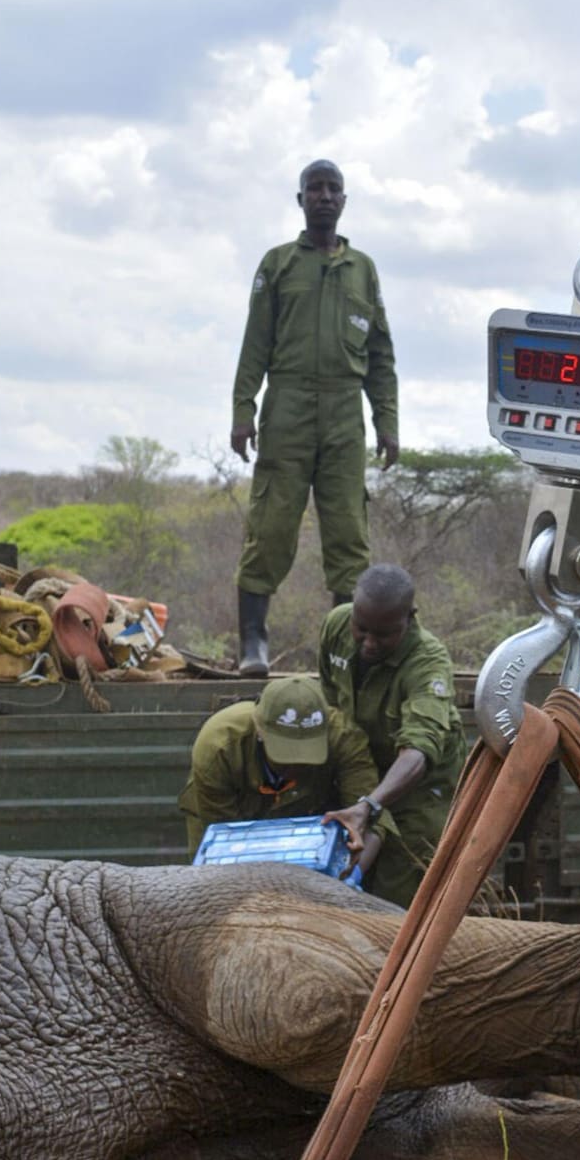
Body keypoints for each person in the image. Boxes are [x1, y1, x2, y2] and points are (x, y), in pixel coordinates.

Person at [230, 160, 399, 678]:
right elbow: (254, 341)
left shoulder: (363, 269)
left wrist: (387, 421)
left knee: (349, 535)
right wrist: (243, 409)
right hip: (288, 407)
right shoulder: (278, 264)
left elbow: (380, 353)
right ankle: (253, 643)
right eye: (314, 189)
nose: (324, 197)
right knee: (272, 524)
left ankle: (342, 650)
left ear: (344, 201)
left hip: (346, 414)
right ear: (300, 200)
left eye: (333, 189)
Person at [319, 563, 466, 909]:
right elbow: (330, 704)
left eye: (383, 635)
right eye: (362, 628)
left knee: (395, 893)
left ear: (410, 618)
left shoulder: (427, 662)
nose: (369, 643)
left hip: (417, 788)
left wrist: (370, 804)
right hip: (363, 770)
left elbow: (418, 752)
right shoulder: (337, 625)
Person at [178, 674, 385, 882]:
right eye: (284, 755)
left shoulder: (343, 737)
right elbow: (223, 843)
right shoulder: (219, 746)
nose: (294, 767)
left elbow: (373, 820)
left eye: (306, 756)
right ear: (260, 730)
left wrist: (350, 878)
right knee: (216, 889)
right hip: (229, 825)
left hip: (309, 831)